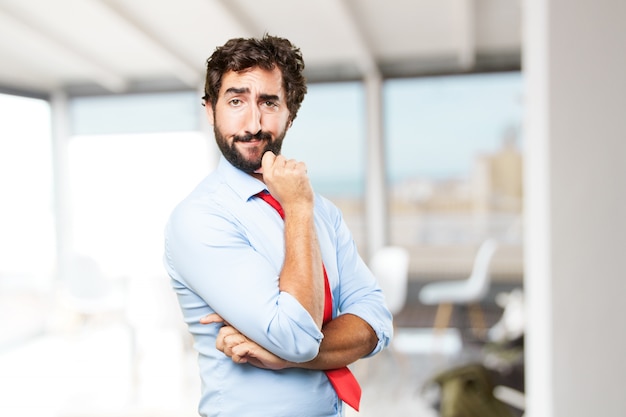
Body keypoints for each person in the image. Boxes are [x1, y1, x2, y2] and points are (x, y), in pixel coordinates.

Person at [163, 34, 393, 417]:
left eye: (269, 103)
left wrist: (285, 355)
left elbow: (377, 323)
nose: (253, 123)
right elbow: (296, 336)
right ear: (210, 110)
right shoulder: (200, 219)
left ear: (290, 113)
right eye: (236, 101)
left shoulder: (323, 210)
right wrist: (299, 208)